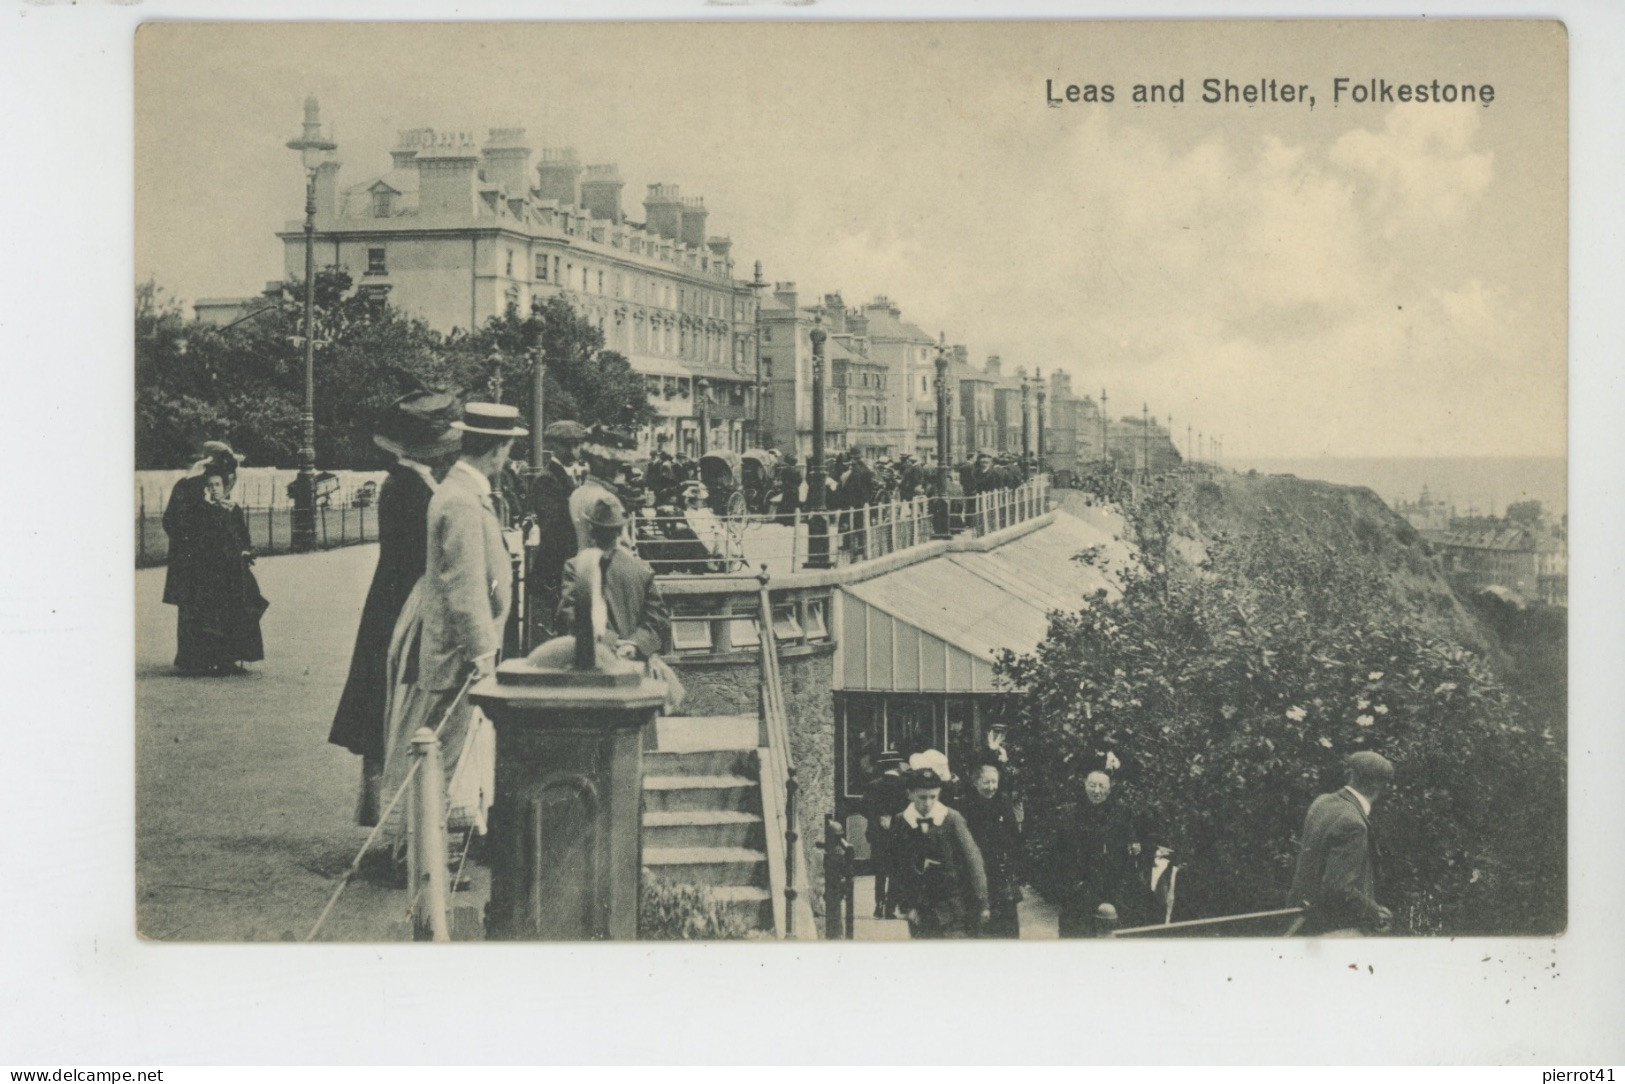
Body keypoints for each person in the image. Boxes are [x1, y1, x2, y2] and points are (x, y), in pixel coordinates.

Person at [380, 402, 524, 867]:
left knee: (439, 753)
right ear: (498, 450)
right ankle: (423, 859)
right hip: (457, 653)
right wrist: (483, 652)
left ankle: (424, 853)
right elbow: (464, 587)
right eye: (506, 449)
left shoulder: (458, 490)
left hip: (453, 647)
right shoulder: (462, 499)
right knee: (440, 757)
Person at [329, 391, 461, 826]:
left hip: (392, 598)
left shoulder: (408, 481)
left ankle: (382, 810)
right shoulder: (412, 488)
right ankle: (395, 817)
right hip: (405, 602)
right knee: (396, 701)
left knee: (385, 703)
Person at [171, 463, 268, 674]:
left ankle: (230, 659)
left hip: (232, 571)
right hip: (209, 572)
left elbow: (243, 537)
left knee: (240, 609)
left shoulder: (233, 510)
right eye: (210, 485)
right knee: (210, 616)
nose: (215, 488)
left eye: (218, 484)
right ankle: (207, 660)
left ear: (225, 487)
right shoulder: (201, 511)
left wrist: (245, 550)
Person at [1287, 750, 1395, 936]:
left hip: (1300, 922)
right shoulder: (1354, 823)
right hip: (1334, 929)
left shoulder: (1321, 803)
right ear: (1380, 785)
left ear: (1351, 774)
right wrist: (1374, 912)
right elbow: (1338, 889)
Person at [558, 497, 671, 664]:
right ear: (620, 531)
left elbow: (570, 616)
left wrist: (611, 641)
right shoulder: (641, 569)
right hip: (634, 663)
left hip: (596, 660)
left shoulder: (576, 566)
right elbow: (658, 619)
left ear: (591, 529)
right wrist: (634, 644)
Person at [162, 440, 240, 674]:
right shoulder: (189, 486)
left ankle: (213, 657)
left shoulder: (200, 485)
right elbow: (175, 522)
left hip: (207, 562)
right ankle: (193, 659)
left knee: (209, 610)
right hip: (192, 561)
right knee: (194, 610)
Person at [887, 767, 988, 939]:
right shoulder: (900, 821)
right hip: (920, 910)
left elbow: (974, 862)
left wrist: (982, 903)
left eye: (933, 797)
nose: (927, 803)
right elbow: (896, 866)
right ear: (909, 794)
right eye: (922, 797)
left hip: (954, 907)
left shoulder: (952, 819)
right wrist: (906, 906)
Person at [1057, 770, 1150, 936]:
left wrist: (1135, 845)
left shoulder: (1122, 812)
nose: (1097, 791)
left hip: (1114, 882)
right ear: (1084, 784)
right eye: (1092, 785)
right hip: (1081, 883)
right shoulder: (1069, 813)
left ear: (1109, 788)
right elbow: (1059, 853)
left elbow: (1132, 840)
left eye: (1102, 786)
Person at [526, 419, 588, 642]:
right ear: (553, 446)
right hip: (556, 567)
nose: (572, 451)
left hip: (569, 565)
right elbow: (554, 528)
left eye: (577, 445)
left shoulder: (575, 477)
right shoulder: (547, 480)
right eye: (566, 445)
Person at [960, 762, 1023, 938]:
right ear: (975, 782)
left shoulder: (1003, 802)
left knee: (1007, 927)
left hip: (1002, 873)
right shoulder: (966, 805)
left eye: (994, 782)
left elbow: (1014, 836)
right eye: (986, 782)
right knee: (980, 926)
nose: (991, 787)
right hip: (977, 873)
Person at [569, 426, 637, 551]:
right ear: (603, 463)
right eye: (614, 464)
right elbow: (620, 546)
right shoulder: (606, 499)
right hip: (605, 565)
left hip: (582, 562)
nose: (616, 470)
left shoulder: (576, 493)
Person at [862, 749, 907, 918]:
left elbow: (863, 806)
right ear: (897, 766)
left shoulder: (873, 785)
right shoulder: (904, 785)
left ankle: (878, 905)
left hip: (878, 834)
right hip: (898, 834)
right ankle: (890, 908)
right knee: (895, 871)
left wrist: (877, 818)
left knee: (880, 871)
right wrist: (893, 818)